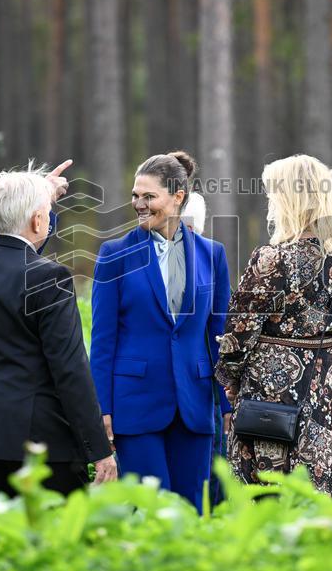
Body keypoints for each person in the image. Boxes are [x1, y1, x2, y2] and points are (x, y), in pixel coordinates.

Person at [0, 170, 117, 499]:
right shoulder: (49, 277)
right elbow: (70, 368)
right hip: (41, 446)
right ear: (37, 221)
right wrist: (99, 450)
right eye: (48, 215)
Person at [89, 151, 232, 511]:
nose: (139, 204)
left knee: (191, 513)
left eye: (149, 196)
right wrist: (101, 409)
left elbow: (220, 337)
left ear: (178, 196)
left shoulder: (212, 255)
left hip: (194, 406)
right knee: (152, 514)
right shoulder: (114, 254)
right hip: (135, 407)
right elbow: (103, 341)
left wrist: (228, 403)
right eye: (136, 196)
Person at [215, 154, 332, 499]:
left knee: (268, 494)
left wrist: (229, 381)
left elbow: (240, 331)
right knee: (321, 480)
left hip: (271, 396)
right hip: (324, 387)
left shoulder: (273, 258)